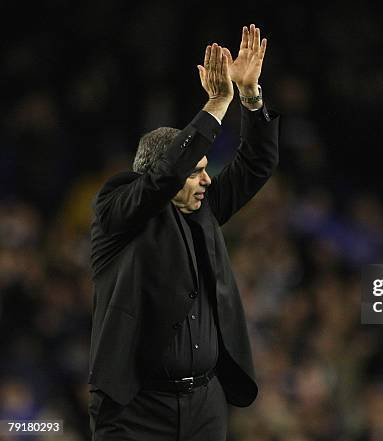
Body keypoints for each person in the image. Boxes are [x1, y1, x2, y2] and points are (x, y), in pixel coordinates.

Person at [87, 24, 279, 441]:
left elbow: (256, 164)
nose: (207, 180)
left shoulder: (203, 209)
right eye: (196, 171)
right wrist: (216, 103)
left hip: (204, 404)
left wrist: (249, 97)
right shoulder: (118, 211)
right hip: (136, 410)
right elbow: (161, 181)